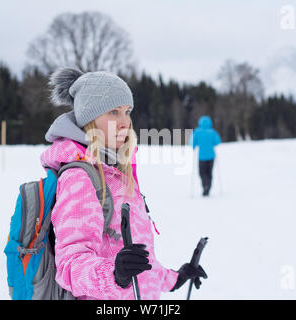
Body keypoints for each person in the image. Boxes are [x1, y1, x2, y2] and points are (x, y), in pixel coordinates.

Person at [40, 67, 207, 300]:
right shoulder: (80, 178)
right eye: (113, 112)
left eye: (127, 111)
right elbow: (70, 265)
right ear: (90, 119)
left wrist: (174, 278)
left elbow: (135, 259)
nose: (124, 122)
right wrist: (114, 275)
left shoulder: (118, 171)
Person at [191, 116, 222, 197]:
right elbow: (217, 142)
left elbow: (193, 143)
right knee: (209, 173)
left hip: (202, 156)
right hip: (211, 156)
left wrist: (194, 146)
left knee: (202, 173)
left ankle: (205, 185)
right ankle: (208, 187)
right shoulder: (212, 132)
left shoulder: (197, 132)